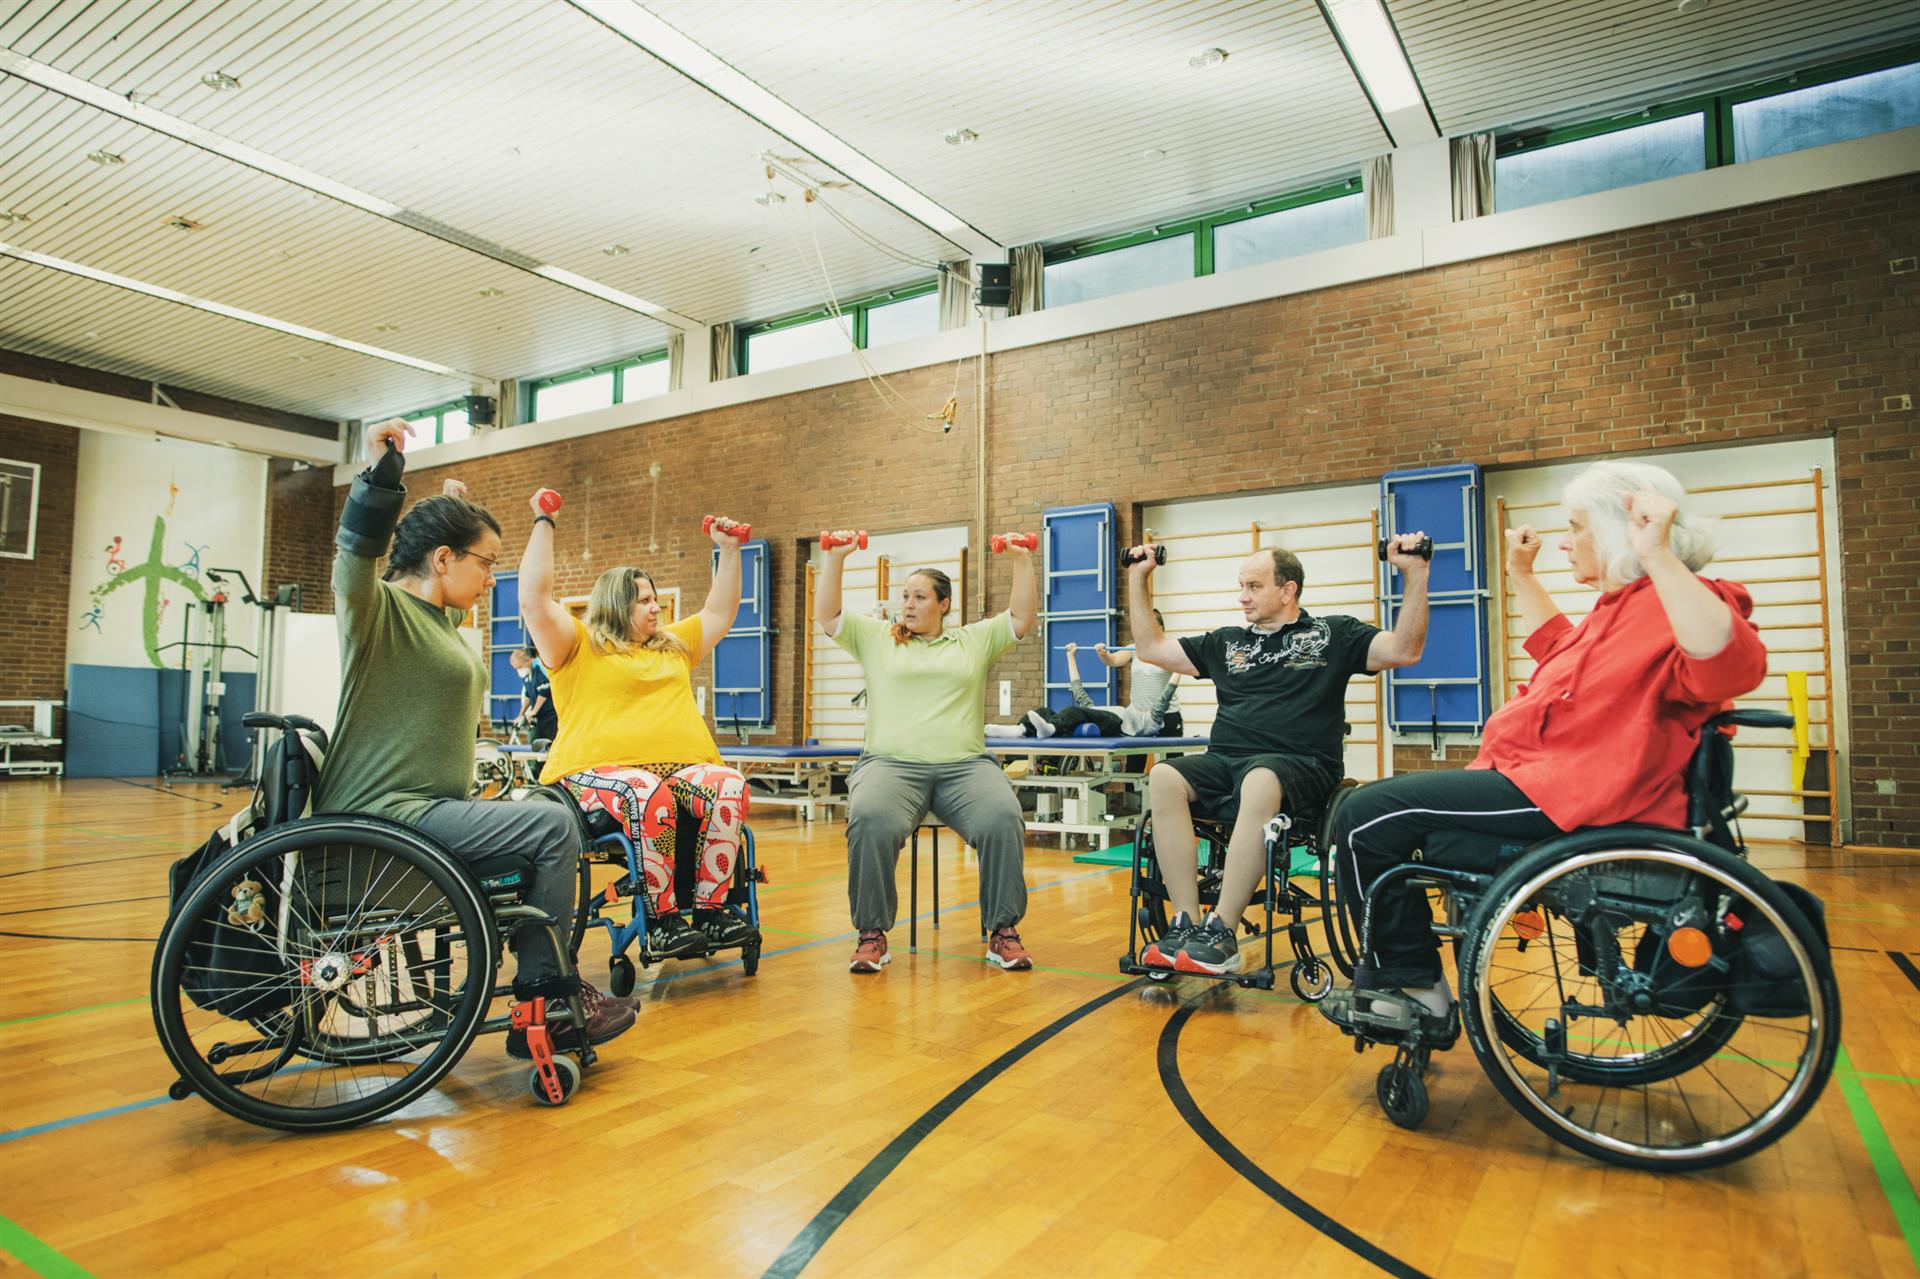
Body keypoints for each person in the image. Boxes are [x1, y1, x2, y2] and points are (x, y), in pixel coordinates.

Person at [1320, 460, 1767, 1039]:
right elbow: (1559, 648)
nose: (1565, 540)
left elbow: (1729, 667)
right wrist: (1519, 574)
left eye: (1578, 526)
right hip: (1546, 783)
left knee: (1361, 816)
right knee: (1405, 829)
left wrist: (1657, 553)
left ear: (1615, 532)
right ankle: (1413, 980)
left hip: (1572, 796)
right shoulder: (1623, 608)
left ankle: (1416, 993)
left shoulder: (1677, 598)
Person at [314, 418, 635, 1058]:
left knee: (552, 807)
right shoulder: (377, 611)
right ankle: (545, 997)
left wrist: (454, 507)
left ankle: (546, 988)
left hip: (425, 817)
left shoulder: (438, 617)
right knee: (549, 829)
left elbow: (453, 569)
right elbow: (356, 555)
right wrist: (381, 475)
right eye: (486, 563)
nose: (493, 578)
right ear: (441, 560)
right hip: (385, 825)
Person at [1127, 535, 1433, 975]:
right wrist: (1139, 578)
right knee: (1165, 777)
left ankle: (1222, 931)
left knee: (1260, 779)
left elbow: (1406, 649)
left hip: (1300, 765)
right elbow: (1150, 649)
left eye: (1253, 586)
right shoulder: (1226, 642)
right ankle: (1186, 922)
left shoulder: (1334, 634)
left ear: (1288, 590)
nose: (1242, 596)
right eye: (1241, 585)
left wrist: (1415, 573)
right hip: (1227, 761)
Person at [525, 499, 756, 956]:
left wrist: (729, 551)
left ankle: (711, 912)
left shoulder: (672, 647)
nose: (656, 608)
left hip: (679, 770)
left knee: (729, 785)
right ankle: (662, 921)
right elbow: (534, 599)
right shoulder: (578, 645)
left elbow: (720, 613)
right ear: (616, 603)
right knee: (645, 790)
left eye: (655, 599)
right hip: (595, 775)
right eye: (645, 600)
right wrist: (544, 521)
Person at [815, 533, 1037, 973]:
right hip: (890, 765)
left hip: (965, 767)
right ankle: (872, 934)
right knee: (871, 818)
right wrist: (835, 558)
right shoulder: (877, 638)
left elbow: (1020, 617)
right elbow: (829, 616)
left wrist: (1022, 560)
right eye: (905, 596)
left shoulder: (972, 641)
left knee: (1003, 817)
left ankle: (1003, 932)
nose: (909, 604)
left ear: (944, 604)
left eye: (920, 596)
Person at [984, 627, 1180, 739]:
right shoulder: (1133, 650)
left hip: (1126, 725)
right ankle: (1021, 728)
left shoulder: (1152, 720)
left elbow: (1163, 701)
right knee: (1045, 711)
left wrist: (1178, 671)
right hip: (1111, 716)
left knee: (1075, 711)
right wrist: (1071, 657)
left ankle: (1050, 729)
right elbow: (1080, 694)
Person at [510, 646, 558, 742]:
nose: (518, 671)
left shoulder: (539, 668)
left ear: (528, 660)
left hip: (550, 715)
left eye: (519, 667)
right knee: (534, 742)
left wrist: (534, 711)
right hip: (539, 717)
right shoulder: (527, 675)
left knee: (549, 744)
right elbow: (528, 696)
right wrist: (520, 715)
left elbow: (544, 691)